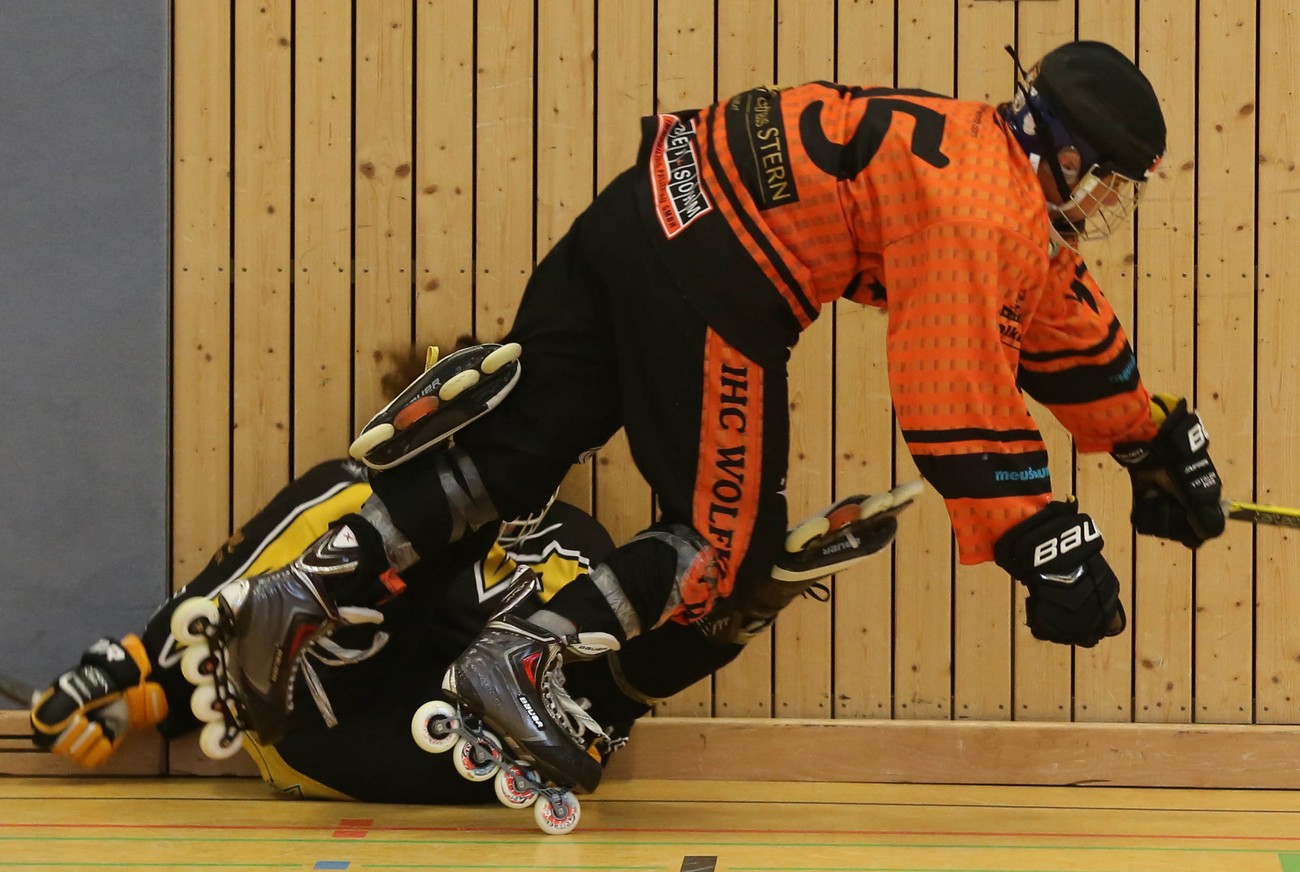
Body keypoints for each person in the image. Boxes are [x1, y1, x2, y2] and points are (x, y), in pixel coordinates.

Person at [94, 39, 1227, 808]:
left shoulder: (976, 155)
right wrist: (1040, 539)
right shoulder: (985, 209)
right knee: (723, 548)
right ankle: (520, 659)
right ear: (1066, 152)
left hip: (647, 205)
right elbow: (950, 388)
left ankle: (311, 584)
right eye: (1109, 179)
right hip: (721, 279)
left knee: (511, 453)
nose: (1107, 203)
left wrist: (1150, 433)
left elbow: (1051, 316)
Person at [27, 456, 915, 806]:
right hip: (323, 718)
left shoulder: (579, 541)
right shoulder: (400, 521)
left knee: (590, 692)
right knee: (350, 506)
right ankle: (141, 663)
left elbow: (603, 697)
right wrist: (149, 698)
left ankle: (742, 600)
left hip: (425, 747)